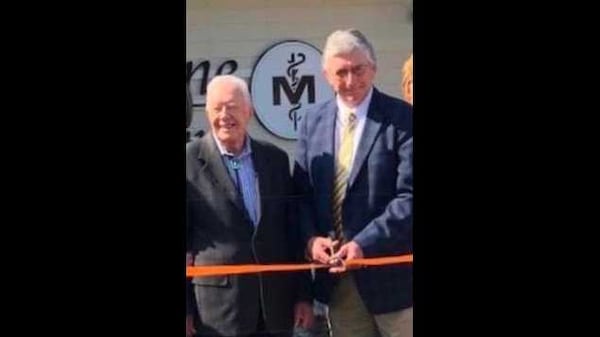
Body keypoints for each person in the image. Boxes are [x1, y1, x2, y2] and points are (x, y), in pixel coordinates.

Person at [293, 29, 413, 337]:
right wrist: (310, 241)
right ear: (326, 75)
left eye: (358, 70)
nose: (350, 81)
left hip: (396, 285)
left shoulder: (402, 118)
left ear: (373, 67)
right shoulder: (311, 121)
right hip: (339, 287)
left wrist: (363, 244)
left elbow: (409, 196)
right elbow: (301, 195)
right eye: (341, 72)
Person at [186, 75, 314, 337]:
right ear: (208, 112)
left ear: (249, 111)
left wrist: (303, 295)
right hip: (215, 311)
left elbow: (290, 233)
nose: (224, 115)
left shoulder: (275, 159)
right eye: (217, 108)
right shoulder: (189, 162)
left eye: (232, 107)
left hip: (275, 307)